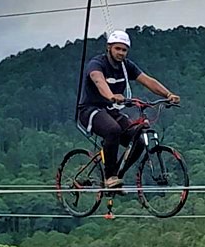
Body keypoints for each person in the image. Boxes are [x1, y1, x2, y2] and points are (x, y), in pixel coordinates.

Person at [77, 30, 180, 189]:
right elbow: (99, 81)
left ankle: (117, 177)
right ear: (109, 47)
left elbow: (148, 81)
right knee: (113, 130)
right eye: (117, 49)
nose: (121, 53)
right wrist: (111, 96)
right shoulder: (97, 63)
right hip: (90, 110)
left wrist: (168, 94)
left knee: (137, 142)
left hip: (111, 111)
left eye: (124, 50)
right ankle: (109, 176)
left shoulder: (127, 66)